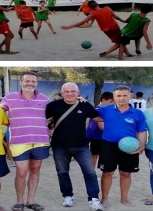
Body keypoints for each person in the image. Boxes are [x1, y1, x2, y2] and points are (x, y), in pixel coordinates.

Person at [46, 82, 104, 211]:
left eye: (73, 91)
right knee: (62, 173)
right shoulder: (53, 106)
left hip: (82, 146)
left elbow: (98, 118)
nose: (70, 94)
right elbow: (43, 119)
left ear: (78, 93)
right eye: (67, 91)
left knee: (90, 173)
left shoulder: (85, 105)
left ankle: (94, 199)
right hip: (59, 146)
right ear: (62, 93)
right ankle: (67, 196)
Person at [0, 72, 51, 211]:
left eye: (33, 81)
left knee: (35, 170)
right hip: (19, 141)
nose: (30, 84)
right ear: (21, 82)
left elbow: (56, 111)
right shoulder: (9, 98)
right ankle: (19, 201)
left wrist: (79, 99)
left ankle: (31, 201)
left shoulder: (44, 99)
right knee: (21, 172)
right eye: (27, 81)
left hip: (40, 141)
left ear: (36, 83)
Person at [96, 85, 148, 207]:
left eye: (125, 95)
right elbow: (91, 114)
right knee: (107, 173)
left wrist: (142, 146)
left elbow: (141, 130)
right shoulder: (105, 109)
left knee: (126, 173)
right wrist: (81, 100)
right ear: (114, 97)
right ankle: (104, 199)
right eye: (118, 96)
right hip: (109, 146)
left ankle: (124, 198)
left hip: (130, 147)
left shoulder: (137, 113)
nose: (122, 98)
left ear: (130, 96)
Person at [61, 1, 131, 60]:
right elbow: (116, 17)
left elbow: (82, 22)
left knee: (120, 41)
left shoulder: (93, 13)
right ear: (97, 4)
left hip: (106, 30)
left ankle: (128, 54)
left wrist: (69, 27)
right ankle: (105, 52)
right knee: (120, 42)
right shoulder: (107, 8)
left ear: (90, 8)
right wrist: (122, 20)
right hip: (114, 27)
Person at [86, 92, 114, 169]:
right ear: (103, 100)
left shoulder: (97, 108)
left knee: (94, 155)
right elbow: (101, 126)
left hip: (91, 134)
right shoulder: (101, 110)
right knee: (94, 155)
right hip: (96, 136)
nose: (112, 104)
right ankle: (92, 172)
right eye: (110, 102)